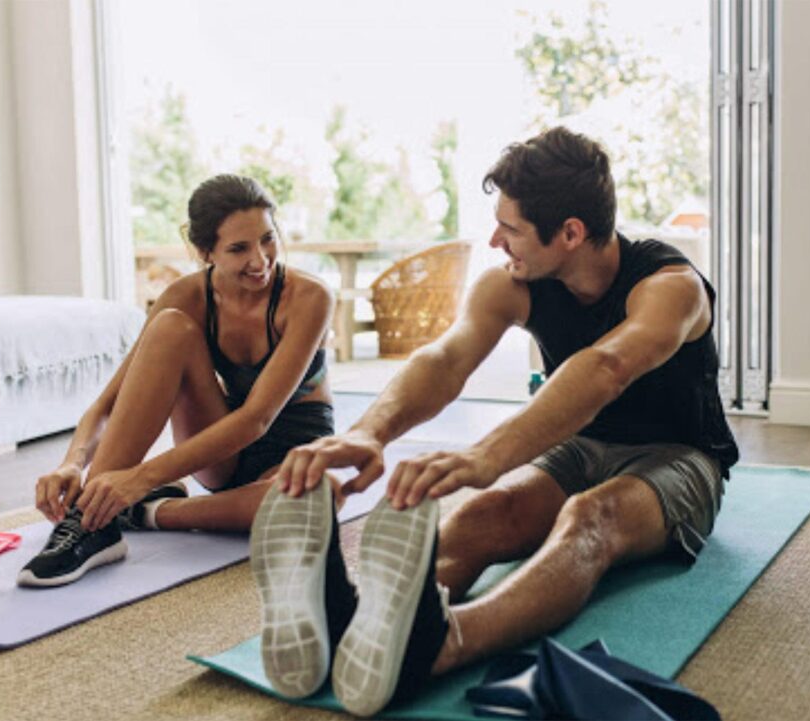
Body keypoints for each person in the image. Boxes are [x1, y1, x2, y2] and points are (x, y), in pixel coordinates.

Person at [249, 126, 739, 716]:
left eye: (510, 229)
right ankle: (355, 621)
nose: (494, 240)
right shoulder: (517, 283)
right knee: (487, 511)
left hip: (680, 457)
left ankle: (444, 644)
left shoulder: (671, 287)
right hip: (584, 445)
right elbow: (446, 358)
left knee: (590, 517)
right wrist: (367, 432)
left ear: (570, 234)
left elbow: (606, 368)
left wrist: (487, 455)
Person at [18, 174, 335, 587]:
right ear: (205, 252)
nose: (260, 260)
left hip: (292, 451)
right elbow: (109, 403)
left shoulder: (310, 297)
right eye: (239, 248)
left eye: (268, 239)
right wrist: (73, 463)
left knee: (312, 500)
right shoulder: (186, 296)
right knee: (169, 328)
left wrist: (140, 481)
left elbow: (257, 418)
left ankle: (144, 511)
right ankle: (90, 524)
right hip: (221, 448)